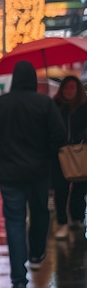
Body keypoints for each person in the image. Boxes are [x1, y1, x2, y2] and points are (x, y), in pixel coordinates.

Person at [0, 60, 66, 288]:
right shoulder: (45, 103)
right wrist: (47, 155)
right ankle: (37, 254)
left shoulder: (0, 104)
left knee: (14, 221)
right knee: (40, 213)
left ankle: (18, 280)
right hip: (39, 172)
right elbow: (60, 137)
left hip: (9, 172)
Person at [50, 75, 87, 239]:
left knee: (80, 188)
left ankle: (77, 218)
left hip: (81, 153)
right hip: (61, 154)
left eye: (72, 87)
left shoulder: (85, 106)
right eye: (66, 88)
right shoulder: (56, 106)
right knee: (61, 190)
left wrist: (79, 138)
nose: (69, 91)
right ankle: (62, 221)